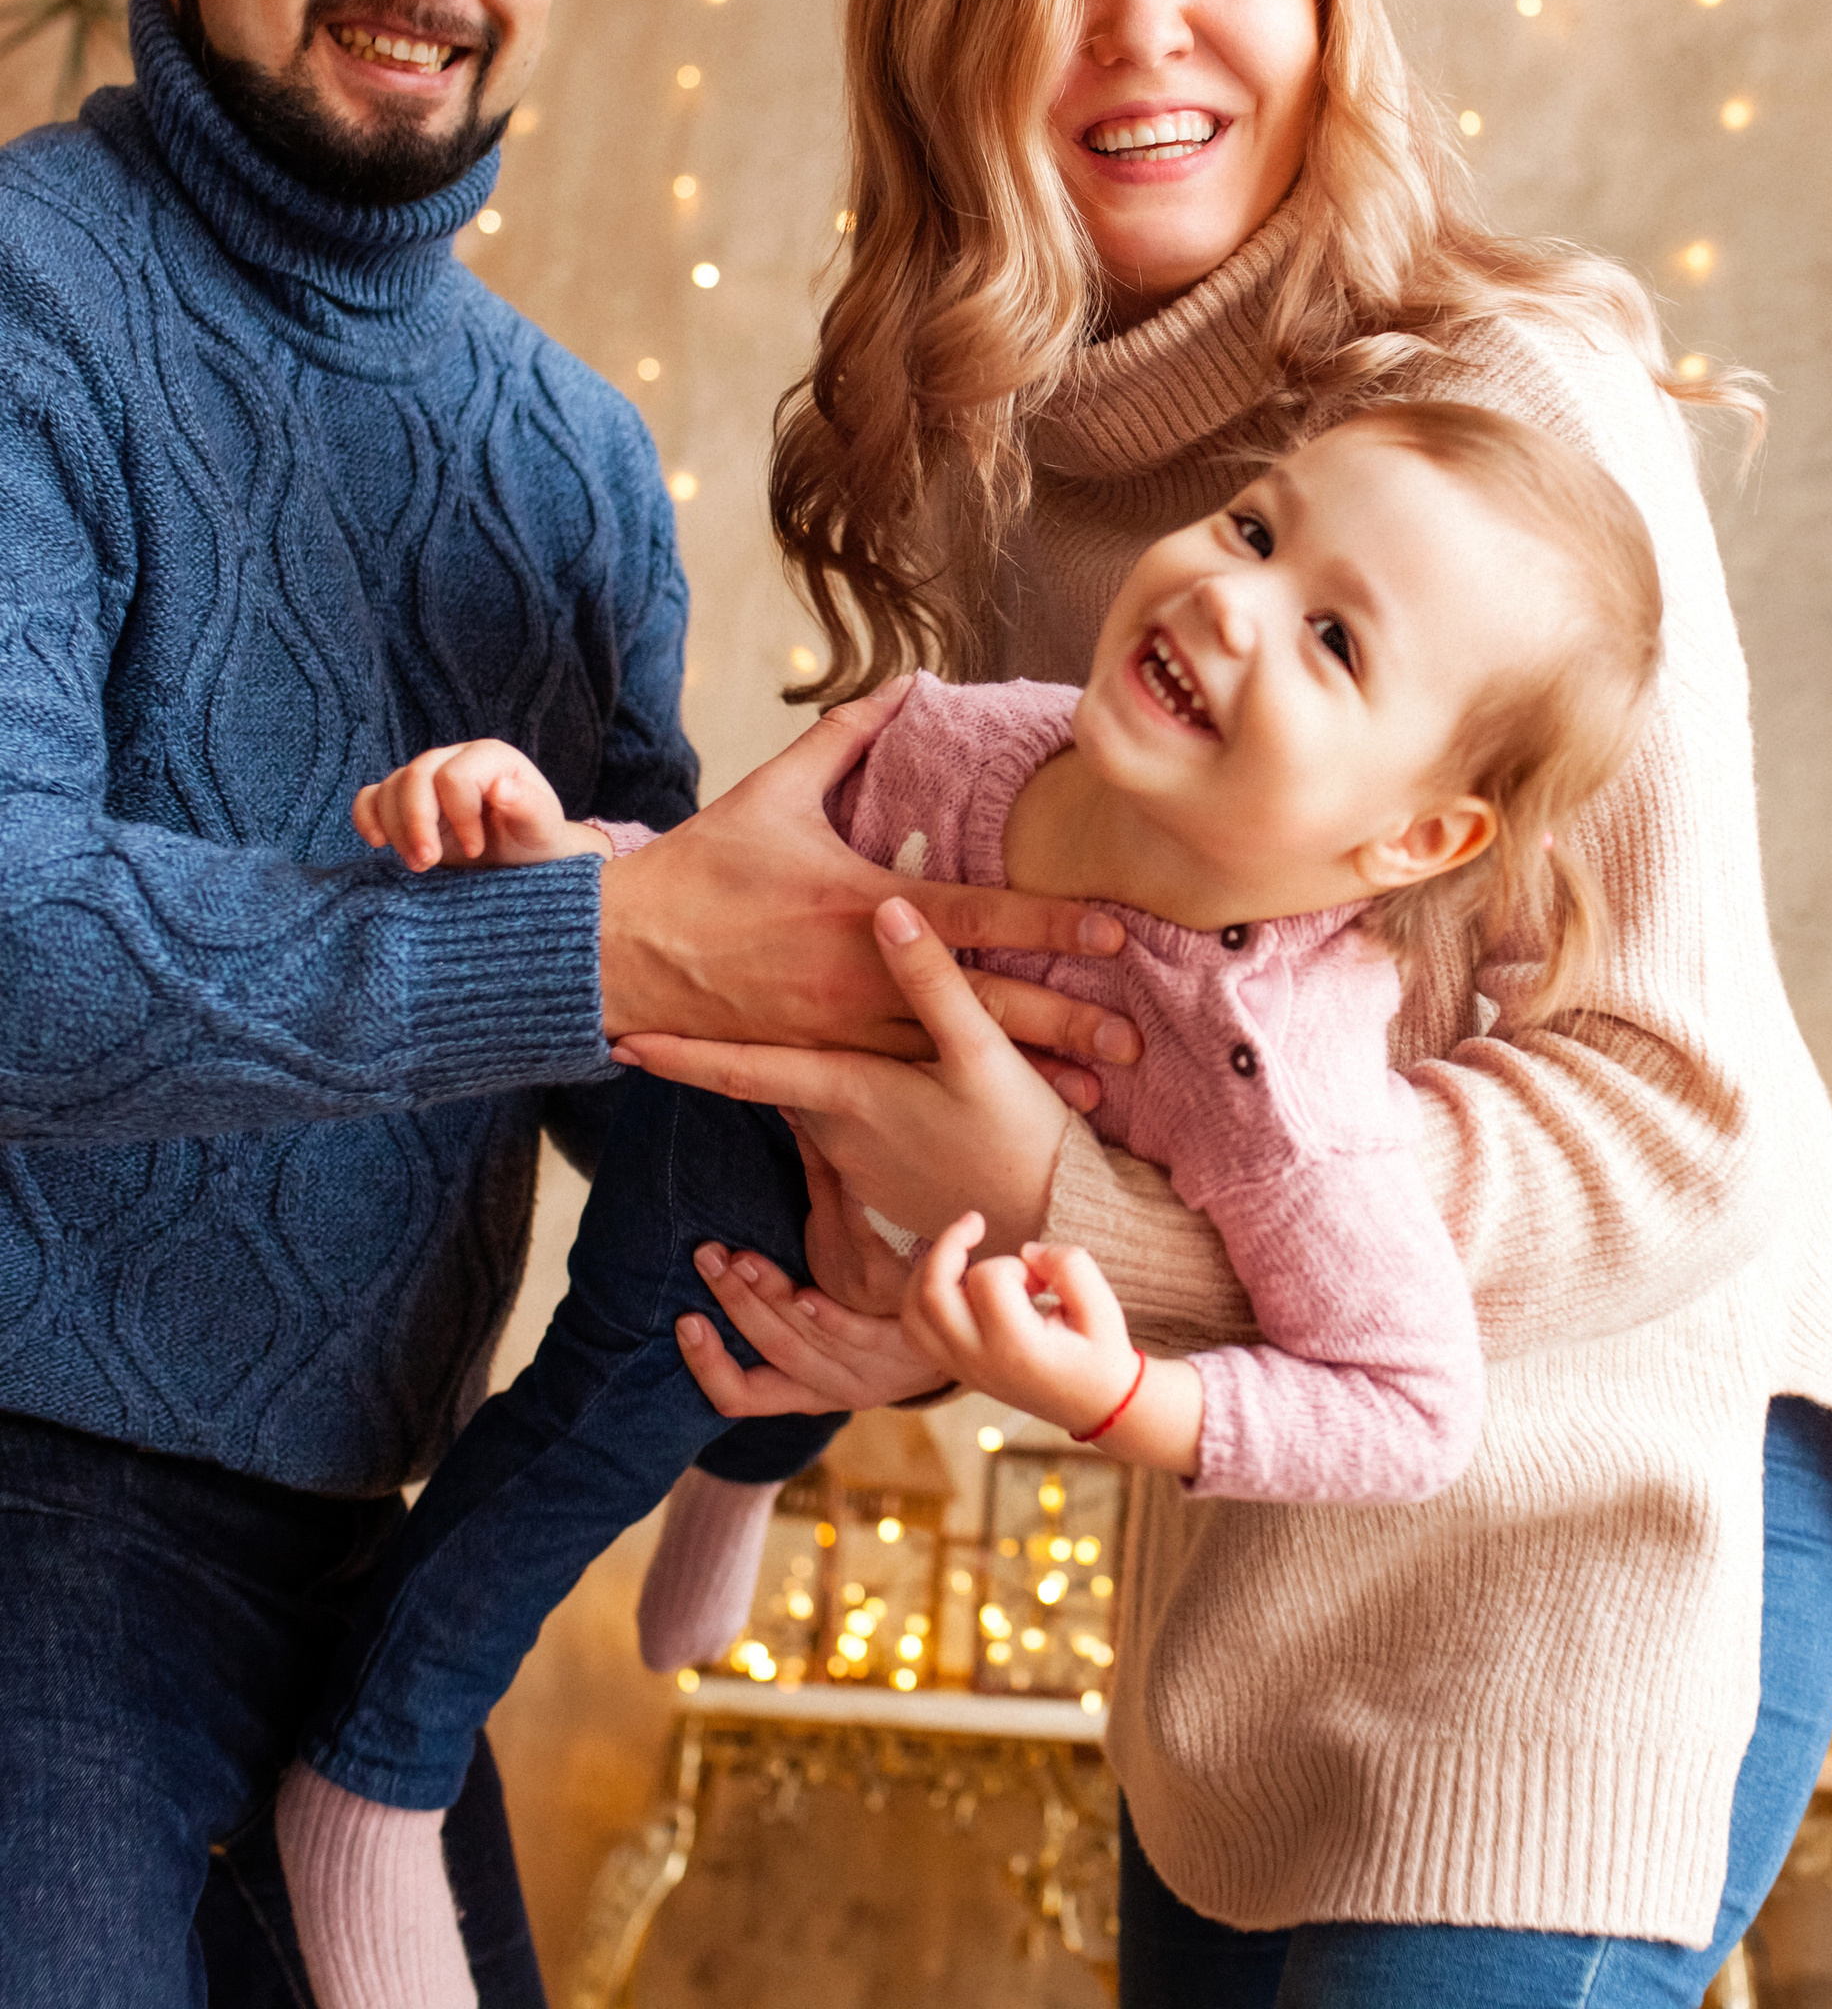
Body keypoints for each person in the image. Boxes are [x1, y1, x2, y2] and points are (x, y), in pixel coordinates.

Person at [624, 0, 1832, 2004]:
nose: (1143, 30)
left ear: (1322, 1)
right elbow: (1073, 1036)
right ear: (941, 49)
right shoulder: (1004, 489)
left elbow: (1675, 1119)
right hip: (1251, 1559)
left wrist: (1067, 1208)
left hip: (1595, 1522)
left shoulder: (1514, 419)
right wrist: (910, 1307)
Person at [0, 0, 1125, 2009]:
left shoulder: (568, 452)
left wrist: (874, 1234)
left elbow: (643, 1033)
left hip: (367, 1556)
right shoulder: (25, 295)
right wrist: (601, 937)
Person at [275, 396, 1669, 2008]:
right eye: (1255, 529)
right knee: (643, 1357)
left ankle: (727, 1479)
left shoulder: (1280, 1091)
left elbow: (1411, 1407)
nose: (1232, 601)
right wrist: (561, 856)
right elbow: (720, 897)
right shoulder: (959, 741)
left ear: (1415, 834)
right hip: (728, 1106)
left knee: (801, 1326)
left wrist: (1123, 1397)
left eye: (1336, 641)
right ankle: (376, 1767)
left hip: (890, 1240)